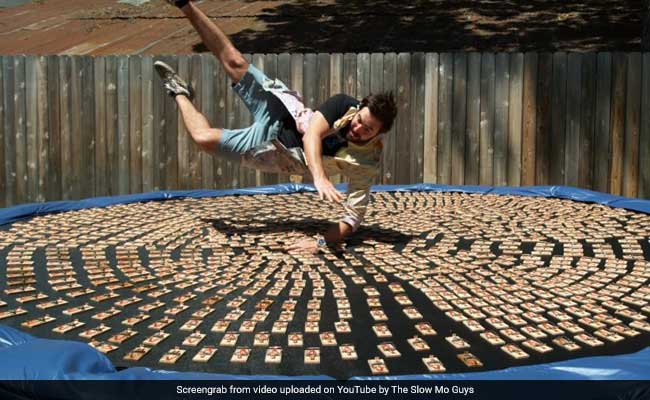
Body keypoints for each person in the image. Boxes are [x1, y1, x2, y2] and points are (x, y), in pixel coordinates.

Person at [157, 0, 397, 254]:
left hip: (275, 150)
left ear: (378, 135)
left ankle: (180, 93)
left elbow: (352, 218)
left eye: (367, 130)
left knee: (201, 138)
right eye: (359, 120)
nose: (358, 128)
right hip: (281, 111)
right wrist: (320, 177)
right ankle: (185, 5)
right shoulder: (343, 104)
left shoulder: (367, 164)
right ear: (358, 108)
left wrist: (319, 243)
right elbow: (313, 134)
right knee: (235, 62)